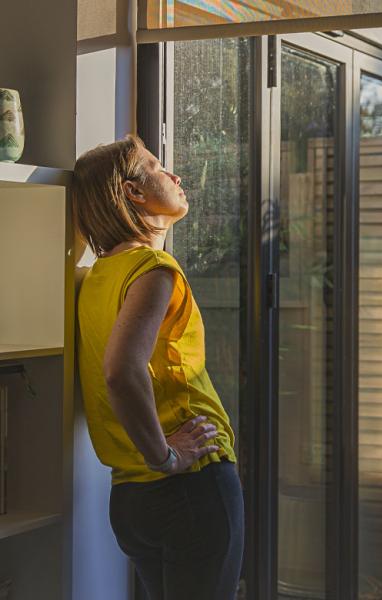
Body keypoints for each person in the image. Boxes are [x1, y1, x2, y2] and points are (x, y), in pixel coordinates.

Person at [73, 135, 244, 600]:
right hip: (189, 485)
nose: (175, 175)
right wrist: (164, 457)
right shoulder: (153, 268)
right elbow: (121, 371)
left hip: (130, 498)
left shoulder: (95, 276)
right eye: (157, 167)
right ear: (133, 191)